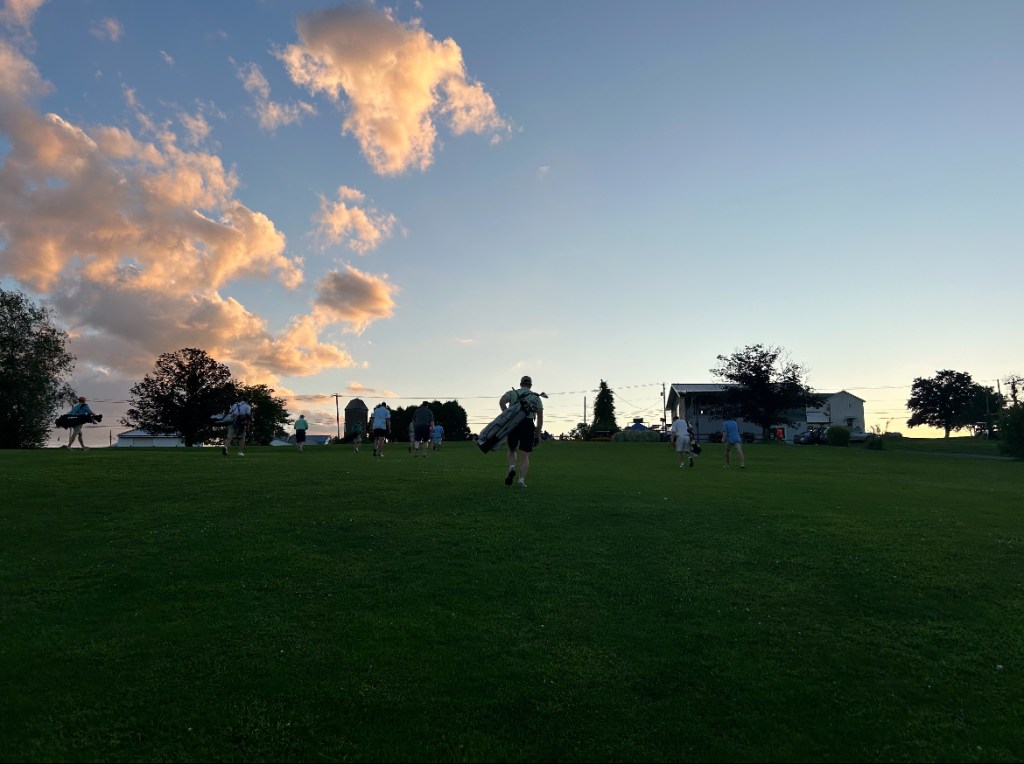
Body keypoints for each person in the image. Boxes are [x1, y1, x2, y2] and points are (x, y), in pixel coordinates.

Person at [499, 375, 544, 488]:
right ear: (530, 385)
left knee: (512, 449)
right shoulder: (536, 397)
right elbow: (540, 417)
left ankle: (512, 468)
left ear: (520, 384)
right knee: (525, 454)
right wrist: (538, 433)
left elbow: (502, 401)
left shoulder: (512, 393)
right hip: (528, 424)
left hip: (514, 423)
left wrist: (507, 414)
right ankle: (521, 480)